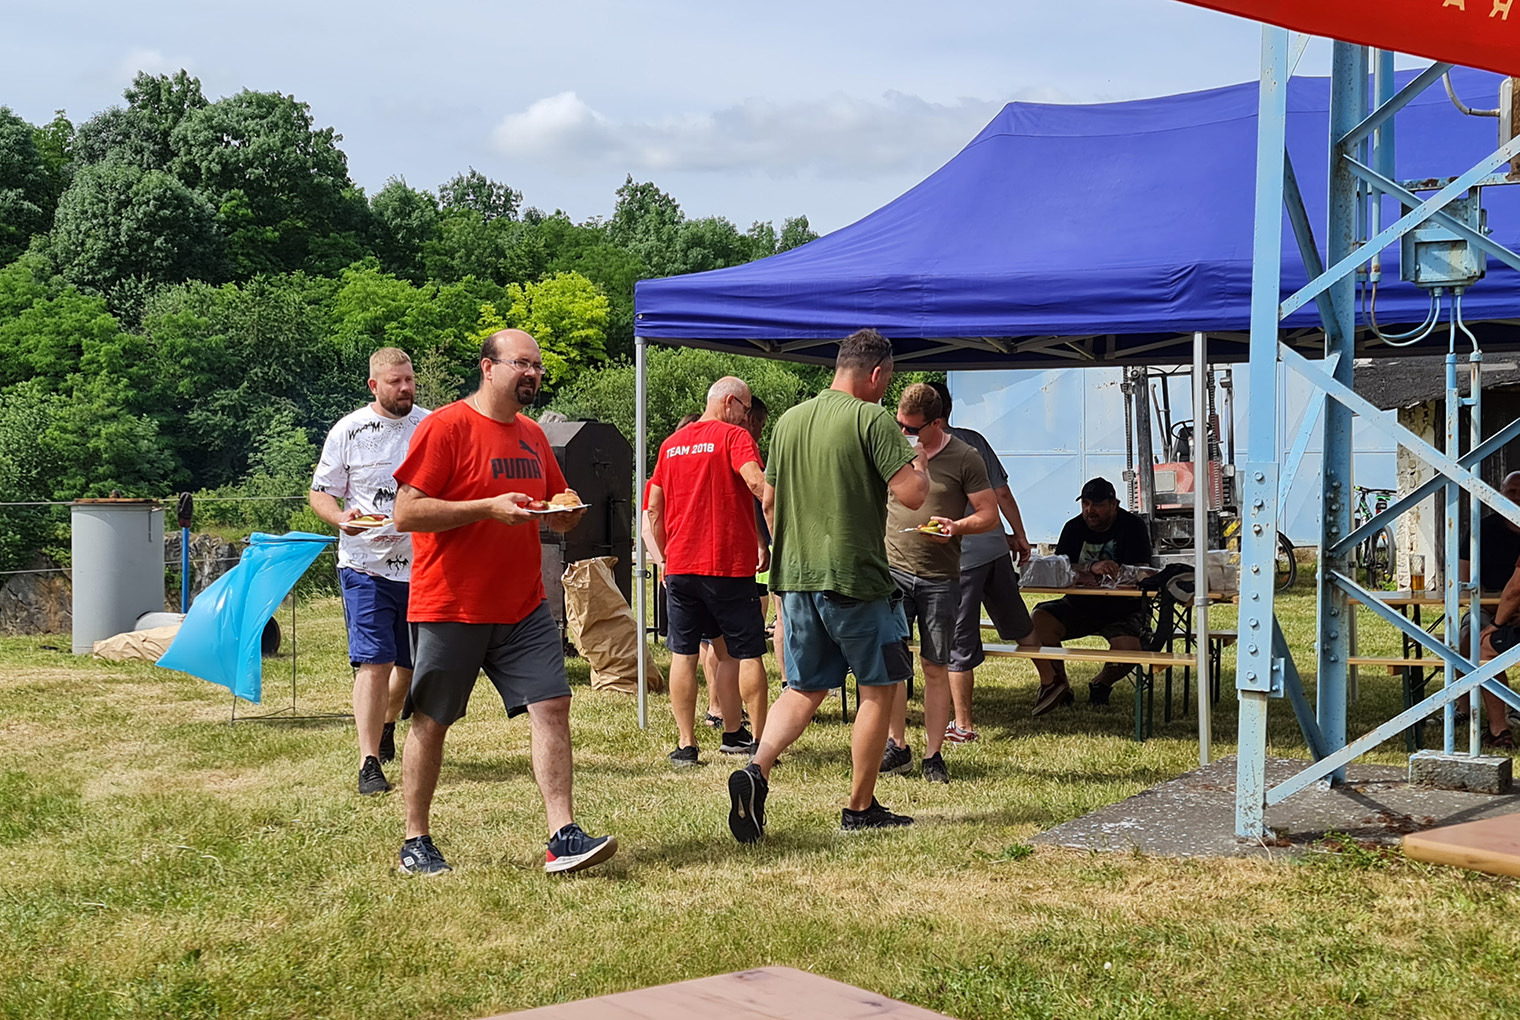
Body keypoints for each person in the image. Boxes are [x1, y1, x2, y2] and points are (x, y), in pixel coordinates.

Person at [391, 328, 617, 876]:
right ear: (488, 368)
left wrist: (566, 509)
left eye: (537, 366)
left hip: (522, 605)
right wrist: (485, 508)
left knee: (553, 705)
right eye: (522, 364)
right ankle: (415, 839)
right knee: (433, 720)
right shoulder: (445, 427)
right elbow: (406, 513)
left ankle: (562, 835)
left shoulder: (534, 435)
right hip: (452, 604)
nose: (533, 374)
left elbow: (555, 501)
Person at [726, 328, 929, 842]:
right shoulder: (872, 419)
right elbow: (912, 495)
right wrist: (919, 461)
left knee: (804, 688)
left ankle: (756, 769)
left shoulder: (790, 421)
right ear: (877, 373)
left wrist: (786, 551)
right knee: (879, 686)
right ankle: (860, 807)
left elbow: (769, 501)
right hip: (856, 578)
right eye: (888, 380)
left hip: (795, 578)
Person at [308, 347, 428, 796]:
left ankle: (387, 723)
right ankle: (368, 762)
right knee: (374, 662)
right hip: (364, 565)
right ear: (374, 386)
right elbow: (321, 492)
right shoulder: (349, 430)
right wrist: (340, 518)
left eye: (409, 379)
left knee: (410, 667)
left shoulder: (431, 426)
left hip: (422, 566)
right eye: (395, 382)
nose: (405, 388)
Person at [646, 377, 770, 766]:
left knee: (686, 654)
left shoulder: (671, 444)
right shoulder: (734, 437)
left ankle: (690, 743)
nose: (747, 419)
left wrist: (665, 557)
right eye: (746, 410)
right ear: (730, 402)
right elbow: (756, 483)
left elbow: (653, 508)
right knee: (748, 653)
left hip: (681, 567)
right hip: (727, 565)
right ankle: (760, 743)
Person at [879, 383, 996, 784]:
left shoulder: (965, 456)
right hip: (893, 570)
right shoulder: (891, 449)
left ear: (937, 423)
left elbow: (988, 514)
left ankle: (933, 755)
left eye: (912, 428)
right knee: (894, 665)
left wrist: (956, 527)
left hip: (940, 577)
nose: (905, 433)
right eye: (900, 425)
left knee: (935, 665)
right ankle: (897, 746)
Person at [928, 381, 1035, 744]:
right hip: (994, 547)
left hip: (961, 558)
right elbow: (1002, 493)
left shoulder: (926, 448)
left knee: (958, 642)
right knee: (1018, 621)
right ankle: (1054, 679)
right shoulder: (973, 440)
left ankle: (963, 725)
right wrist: (1019, 535)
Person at [1024, 477, 1153, 716]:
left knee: (1129, 650)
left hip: (1124, 609)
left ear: (1114, 504)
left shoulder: (1133, 526)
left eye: (1097, 504)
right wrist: (1089, 568)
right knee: (1038, 620)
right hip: (1079, 605)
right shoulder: (1073, 528)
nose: (1090, 510)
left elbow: (1141, 571)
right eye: (1085, 504)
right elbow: (1059, 567)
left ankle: (1101, 683)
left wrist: (1113, 574)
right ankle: (1058, 685)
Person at [1459, 470, 1520, 747]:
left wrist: (1499, 622)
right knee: (1469, 637)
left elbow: (1515, 589)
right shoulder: (1482, 529)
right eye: (1512, 492)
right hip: (1488, 606)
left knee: (1484, 647)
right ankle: (1463, 707)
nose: (1516, 498)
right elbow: (1464, 582)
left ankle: (1499, 730)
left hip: (1508, 611)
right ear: (1500, 494)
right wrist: (1497, 615)